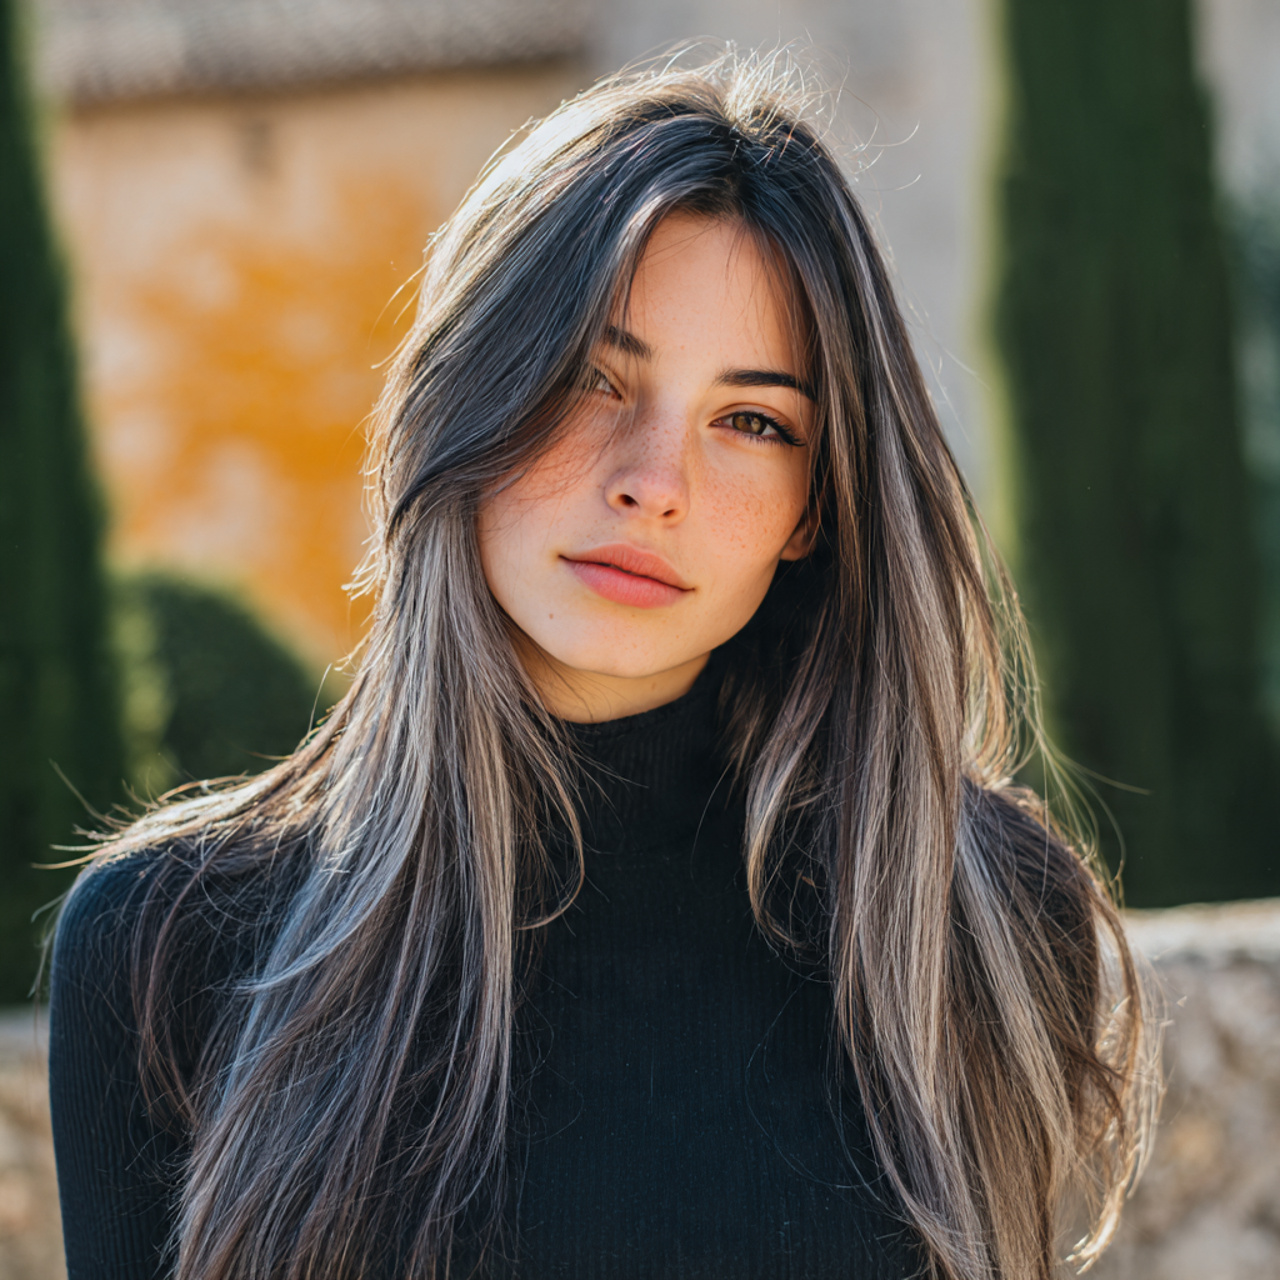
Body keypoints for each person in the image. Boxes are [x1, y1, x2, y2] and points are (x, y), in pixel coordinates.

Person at [48, 53, 1157, 1280]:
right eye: (592, 376)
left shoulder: (978, 919)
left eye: (751, 421)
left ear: (813, 507)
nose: (653, 482)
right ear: (467, 392)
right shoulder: (168, 944)